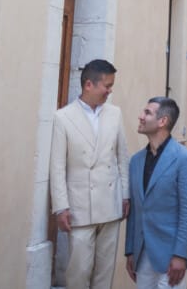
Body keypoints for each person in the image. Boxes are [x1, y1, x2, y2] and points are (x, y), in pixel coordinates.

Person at [51, 59, 131, 289]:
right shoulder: (63, 118)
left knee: (105, 272)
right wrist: (61, 206)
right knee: (79, 271)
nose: (110, 91)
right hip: (79, 206)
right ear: (89, 85)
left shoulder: (115, 114)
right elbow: (57, 166)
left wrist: (125, 195)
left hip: (110, 204)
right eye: (107, 85)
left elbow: (122, 157)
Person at [124, 97, 187, 288]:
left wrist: (180, 255)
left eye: (147, 112)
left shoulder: (185, 160)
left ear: (163, 121)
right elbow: (135, 211)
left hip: (171, 256)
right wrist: (130, 250)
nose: (141, 117)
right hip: (142, 255)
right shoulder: (136, 161)